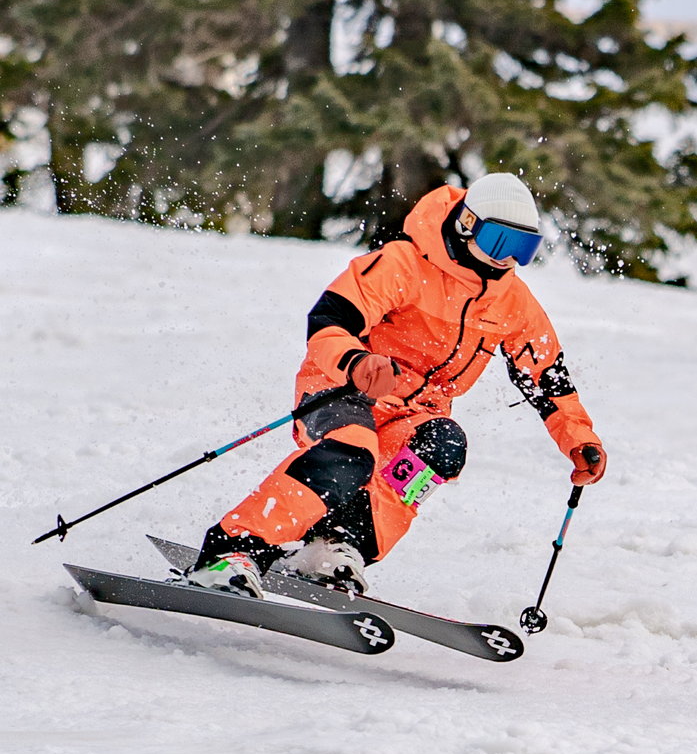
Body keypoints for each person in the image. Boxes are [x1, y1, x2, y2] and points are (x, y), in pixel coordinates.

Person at [187, 172, 606, 598]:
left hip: (416, 411)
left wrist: (578, 440)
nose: (508, 259)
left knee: (442, 445)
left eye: (524, 248)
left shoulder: (513, 302)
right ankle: (233, 549)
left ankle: (334, 547)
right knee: (351, 452)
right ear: (467, 224)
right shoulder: (404, 263)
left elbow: (546, 376)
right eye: (500, 241)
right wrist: (356, 361)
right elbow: (330, 319)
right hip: (345, 387)